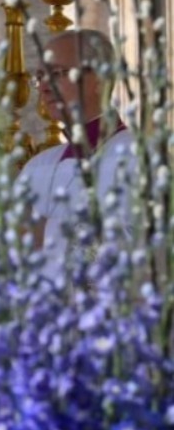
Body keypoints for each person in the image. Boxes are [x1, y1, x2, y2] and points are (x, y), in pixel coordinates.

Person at [20, 29, 135, 259]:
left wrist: (45, 235)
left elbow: (150, 249)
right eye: (40, 76)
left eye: (57, 73)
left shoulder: (140, 157)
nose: (43, 86)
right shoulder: (36, 167)